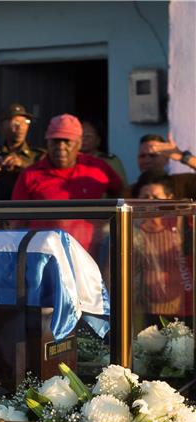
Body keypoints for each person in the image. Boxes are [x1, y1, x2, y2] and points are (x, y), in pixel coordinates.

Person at [11, 114, 123, 252]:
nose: (61, 147)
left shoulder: (97, 168)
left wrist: (106, 220)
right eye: (55, 141)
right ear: (47, 143)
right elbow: (16, 223)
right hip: (45, 257)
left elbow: (121, 193)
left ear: (79, 143)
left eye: (67, 141)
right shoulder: (30, 175)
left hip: (91, 256)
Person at [131, 171, 192, 323]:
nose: (150, 202)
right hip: (143, 312)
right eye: (145, 198)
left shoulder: (184, 223)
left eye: (156, 198)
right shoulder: (128, 229)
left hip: (185, 310)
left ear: (169, 199)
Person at [0, 103, 45, 172]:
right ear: (2, 127)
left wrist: (23, 164)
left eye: (25, 122)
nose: (21, 127)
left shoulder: (38, 156)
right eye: (16, 122)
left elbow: (46, 178)